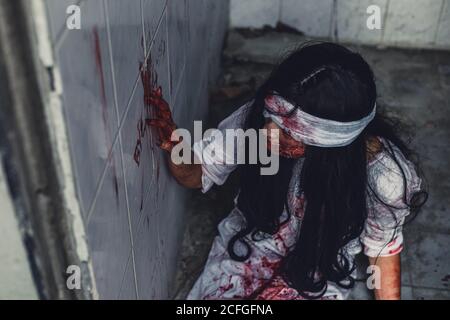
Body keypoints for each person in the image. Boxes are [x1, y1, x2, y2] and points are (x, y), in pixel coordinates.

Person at [146, 42, 427, 300]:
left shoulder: (384, 176)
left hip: (321, 264)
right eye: (270, 117)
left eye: (289, 133)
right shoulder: (262, 121)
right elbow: (197, 174)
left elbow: (381, 248)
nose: (268, 133)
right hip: (254, 242)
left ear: (329, 143)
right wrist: (177, 148)